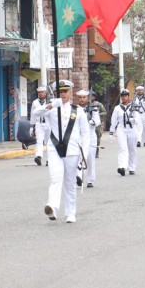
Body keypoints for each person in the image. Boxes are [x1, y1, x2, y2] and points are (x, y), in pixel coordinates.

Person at [33, 80, 89, 223]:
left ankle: (71, 213)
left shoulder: (78, 111)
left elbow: (85, 133)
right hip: (54, 148)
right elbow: (36, 113)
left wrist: (85, 156)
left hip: (72, 150)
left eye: (66, 91)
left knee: (69, 183)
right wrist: (53, 104)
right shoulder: (52, 108)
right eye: (60, 92)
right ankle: (52, 206)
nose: (63, 94)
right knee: (55, 178)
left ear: (71, 93)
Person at [110, 89, 139, 176]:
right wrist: (111, 132)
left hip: (132, 129)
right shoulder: (117, 108)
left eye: (126, 95)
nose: (124, 97)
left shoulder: (133, 106)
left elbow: (137, 120)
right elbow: (114, 121)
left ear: (128, 96)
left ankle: (132, 167)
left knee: (132, 149)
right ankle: (122, 167)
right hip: (121, 128)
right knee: (122, 148)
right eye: (122, 96)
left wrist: (133, 119)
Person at [76, 90, 100, 188]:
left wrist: (93, 122)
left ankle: (90, 179)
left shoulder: (93, 108)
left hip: (90, 135)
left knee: (90, 158)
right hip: (79, 136)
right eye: (80, 97)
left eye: (84, 97)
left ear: (87, 98)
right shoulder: (75, 109)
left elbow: (98, 120)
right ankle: (79, 177)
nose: (82, 99)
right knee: (79, 157)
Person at [30, 86, 50, 166]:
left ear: (45, 93)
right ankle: (38, 156)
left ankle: (49, 159)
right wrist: (32, 126)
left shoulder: (50, 101)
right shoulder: (35, 102)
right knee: (39, 141)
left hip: (49, 123)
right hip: (39, 123)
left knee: (49, 142)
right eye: (39, 92)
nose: (41, 94)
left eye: (42, 92)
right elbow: (32, 114)